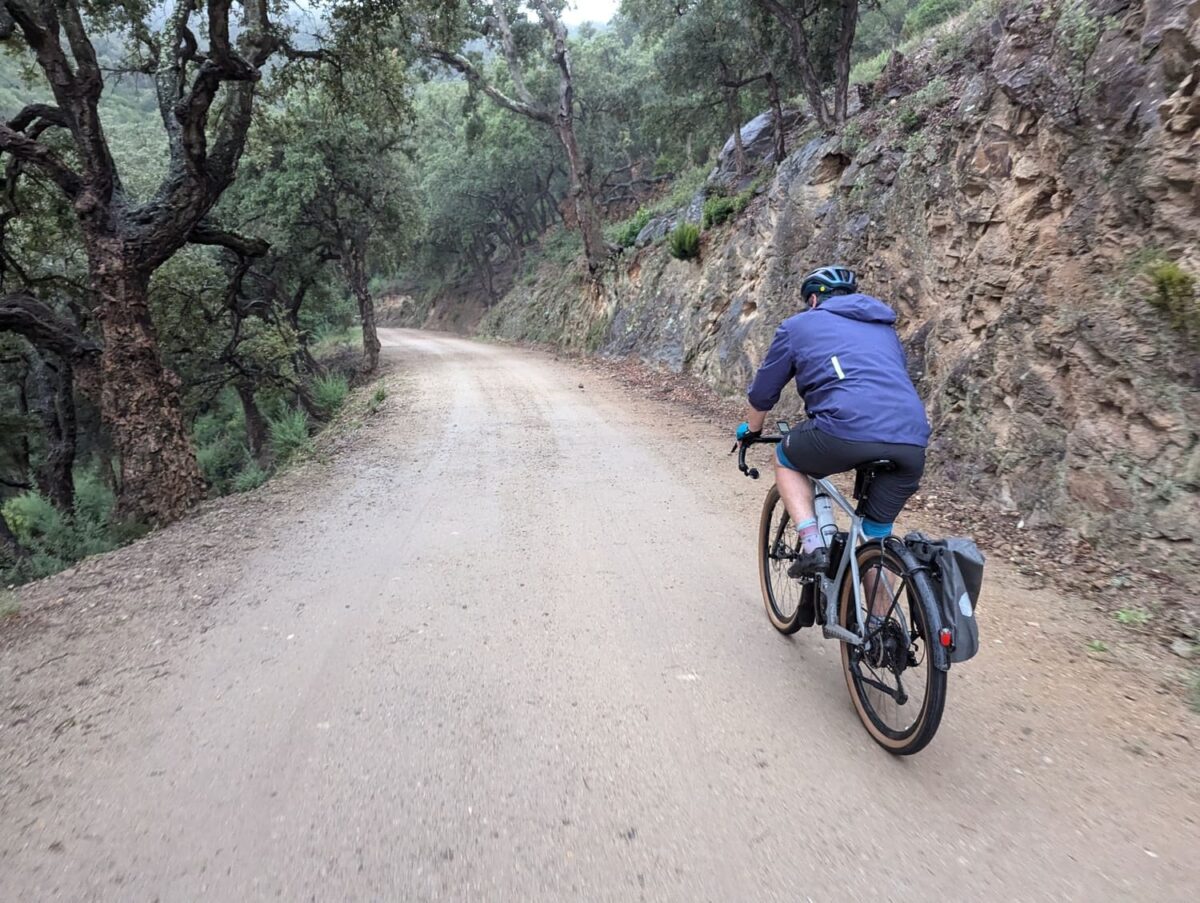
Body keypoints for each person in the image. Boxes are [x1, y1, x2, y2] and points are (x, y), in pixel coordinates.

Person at [736, 266, 930, 576]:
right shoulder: (884, 328)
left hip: (844, 430)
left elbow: (763, 393)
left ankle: (813, 546)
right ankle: (879, 622)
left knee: (785, 458)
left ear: (813, 300)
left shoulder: (798, 326)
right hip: (911, 439)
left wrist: (752, 429)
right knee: (874, 540)